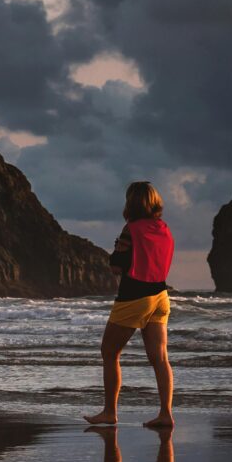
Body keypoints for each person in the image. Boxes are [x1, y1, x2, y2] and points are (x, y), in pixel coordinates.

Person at [84, 180, 176, 430]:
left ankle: (109, 411)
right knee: (160, 358)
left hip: (134, 296)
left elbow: (117, 265)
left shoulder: (131, 229)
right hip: (161, 295)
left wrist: (117, 250)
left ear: (131, 203)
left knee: (110, 352)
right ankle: (165, 413)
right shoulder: (164, 228)